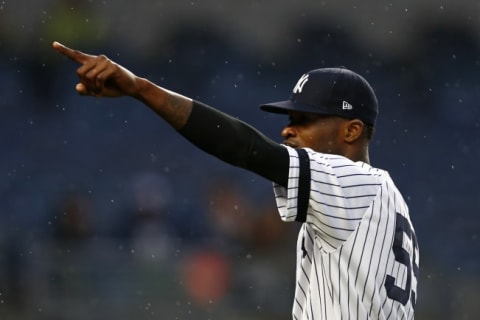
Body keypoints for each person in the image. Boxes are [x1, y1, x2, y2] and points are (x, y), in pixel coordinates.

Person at [52, 41, 419, 319]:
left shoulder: (351, 181)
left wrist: (141, 89)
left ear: (352, 131)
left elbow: (246, 148)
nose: (288, 130)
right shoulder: (383, 198)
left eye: (305, 120)